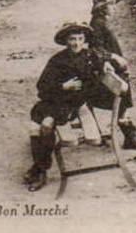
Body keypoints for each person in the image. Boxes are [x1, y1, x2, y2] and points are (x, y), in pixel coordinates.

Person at [22, 22, 127, 192]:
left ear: (84, 40)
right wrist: (63, 86)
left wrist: (111, 60)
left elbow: (105, 56)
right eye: (72, 39)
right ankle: (40, 168)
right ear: (65, 41)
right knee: (35, 128)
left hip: (72, 104)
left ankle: (40, 169)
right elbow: (42, 87)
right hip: (53, 99)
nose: (76, 43)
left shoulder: (90, 56)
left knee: (45, 126)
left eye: (80, 39)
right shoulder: (57, 60)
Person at [88, 0, 136, 150]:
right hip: (107, 69)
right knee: (120, 98)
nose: (114, 7)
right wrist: (113, 57)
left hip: (116, 68)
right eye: (111, 4)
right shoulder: (97, 23)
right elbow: (95, 49)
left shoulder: (102, 21)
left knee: (123, 100)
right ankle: (130, 136)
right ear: (102, 7)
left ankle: (132, 135)